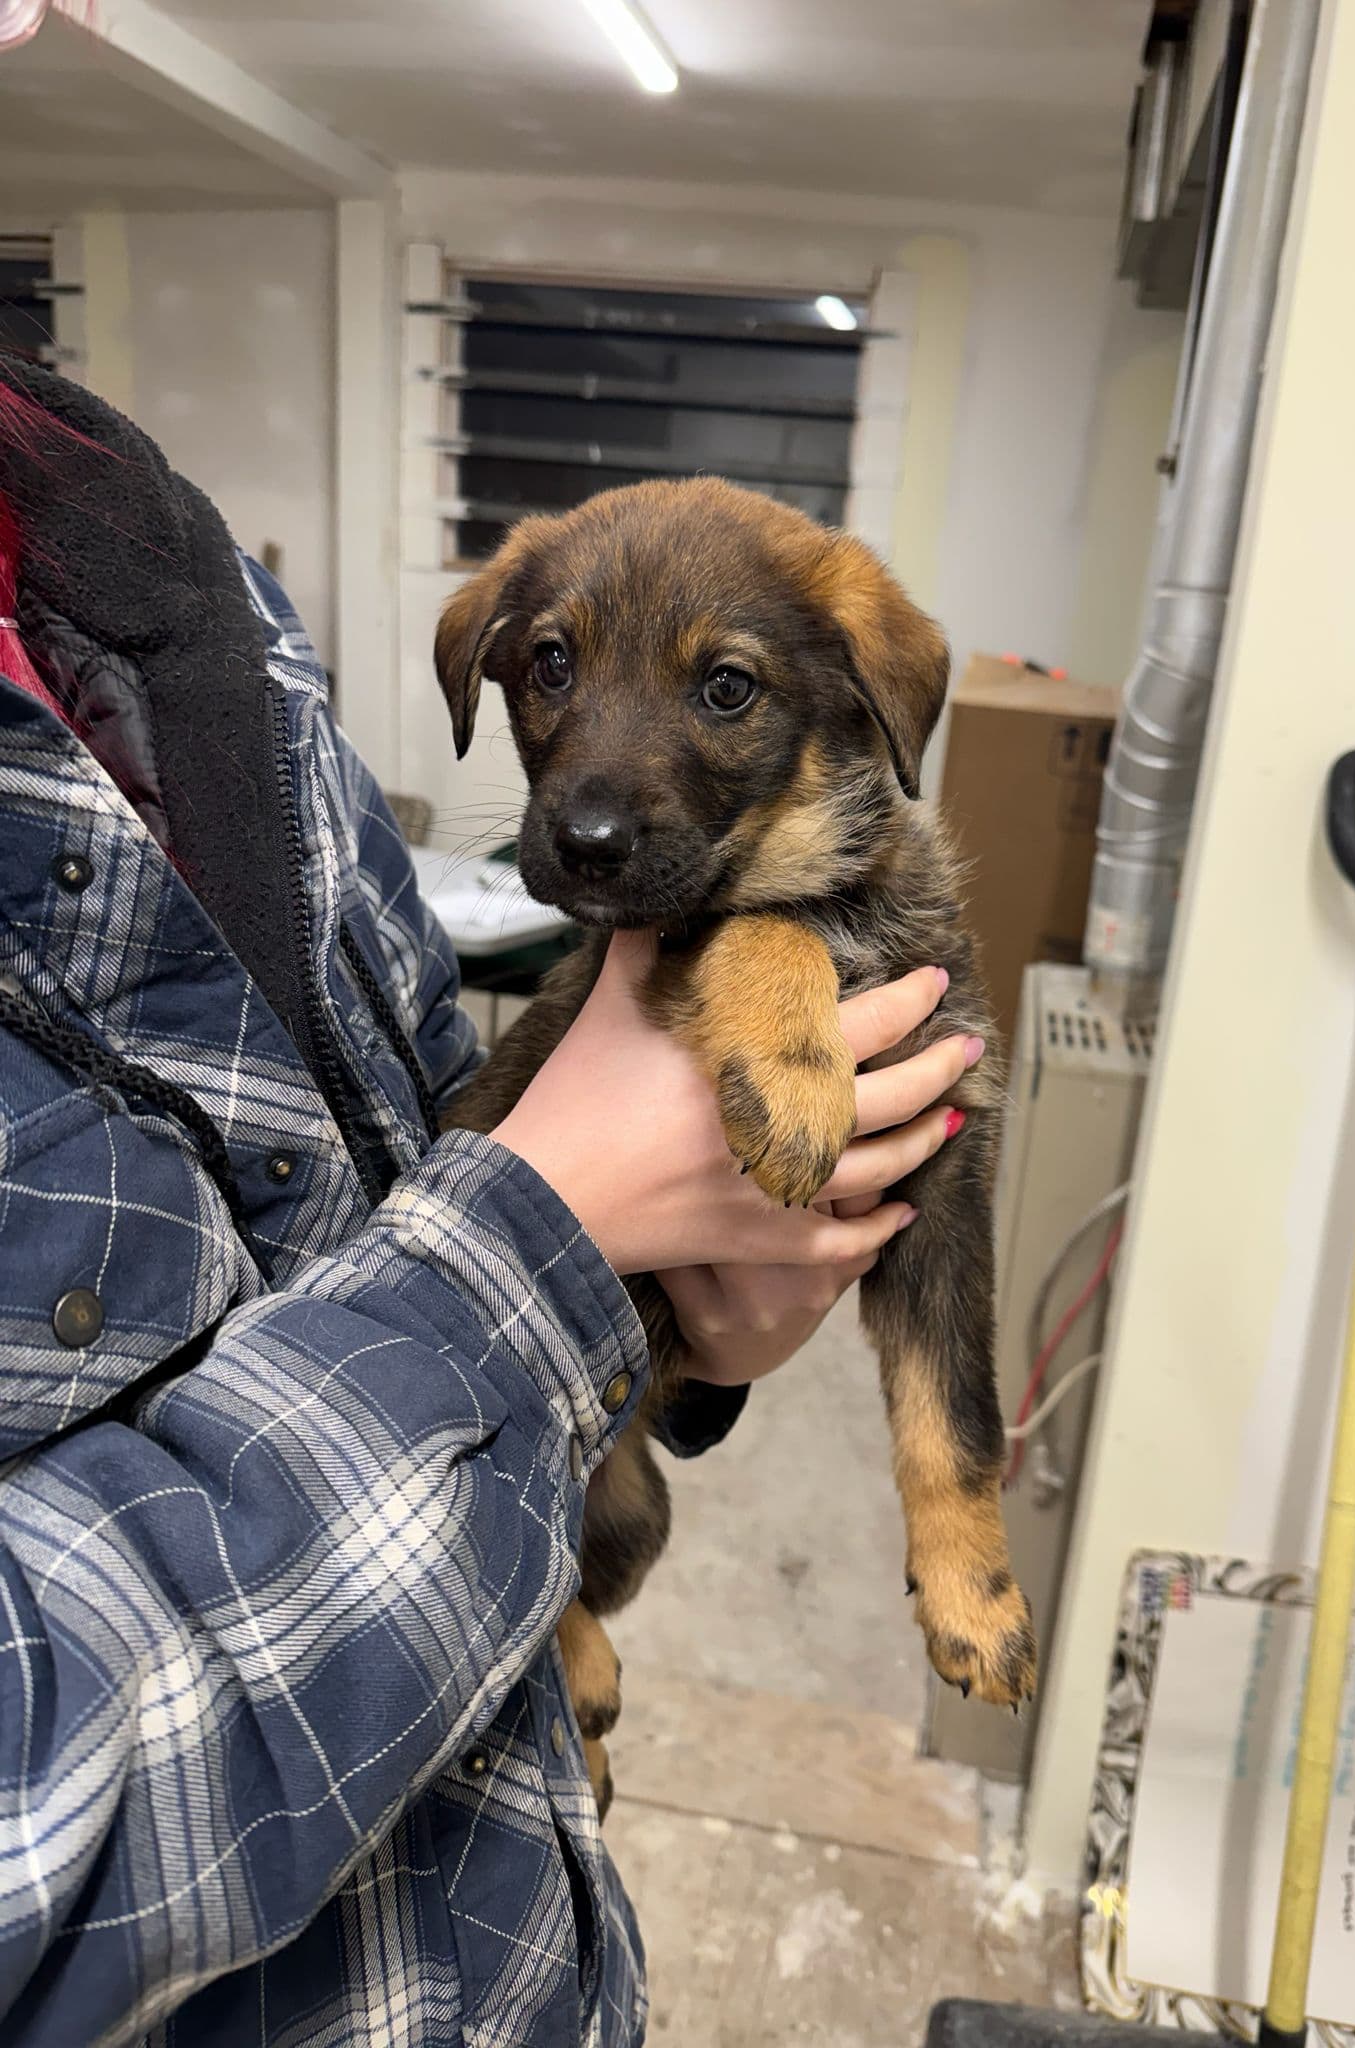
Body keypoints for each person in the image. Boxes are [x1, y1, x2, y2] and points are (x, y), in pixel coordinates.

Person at [0, 358, 979, 2046]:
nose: (590, 783)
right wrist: (548, 1240)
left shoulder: (134, 540)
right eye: (550, 677)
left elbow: (409, 1104)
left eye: (721, 690)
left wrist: (701, 1324)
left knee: (630, 1519)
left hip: (523, 1924)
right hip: (270, 1984)